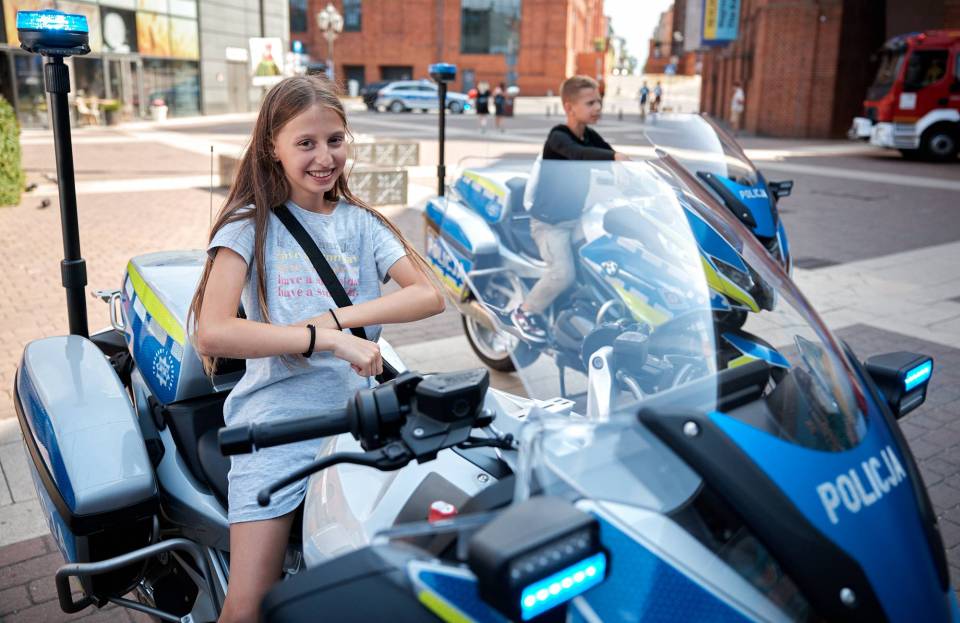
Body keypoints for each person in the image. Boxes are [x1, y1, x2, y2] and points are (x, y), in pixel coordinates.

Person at [188, 75, 445, 623]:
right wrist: (320, 339)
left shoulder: (364, 224)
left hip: (360, 421)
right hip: (276, 428)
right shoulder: (248, 226)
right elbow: (212, 331)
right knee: (247, 608)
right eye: (305, 143)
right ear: (272, 147)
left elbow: (429, 295)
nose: (324, 157)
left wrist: (337, 320)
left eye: (334, 139)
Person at [510, 75, 629, 342]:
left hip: (576, 219)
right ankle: (524, 312)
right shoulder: (559, 137)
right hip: (550, 224)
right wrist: (614, 157)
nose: (598, 108)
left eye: (599, 101)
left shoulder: (589, 135)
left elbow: (606, 155)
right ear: (569, 107)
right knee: (563, 274)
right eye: (590, 103)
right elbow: (578, 154)